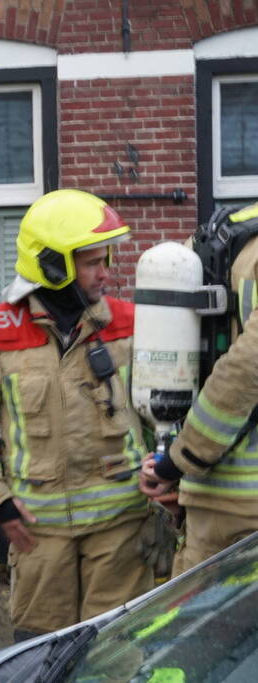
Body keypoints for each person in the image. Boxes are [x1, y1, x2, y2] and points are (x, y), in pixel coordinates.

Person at [0, 189, 154, 640]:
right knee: (42, 653)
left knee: (116, 653)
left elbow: (165, 414)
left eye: (106, 259)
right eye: (92, 262)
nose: (107, 272)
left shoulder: (131, 323)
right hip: (39, 534)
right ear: (54, 265)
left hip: (121, 527)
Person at [140, 202, 258, 575]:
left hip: (208, 499)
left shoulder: (214, 240)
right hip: (243, 512)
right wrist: (179, 460)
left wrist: (175, 460)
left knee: (199, 628)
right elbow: (245, 368)